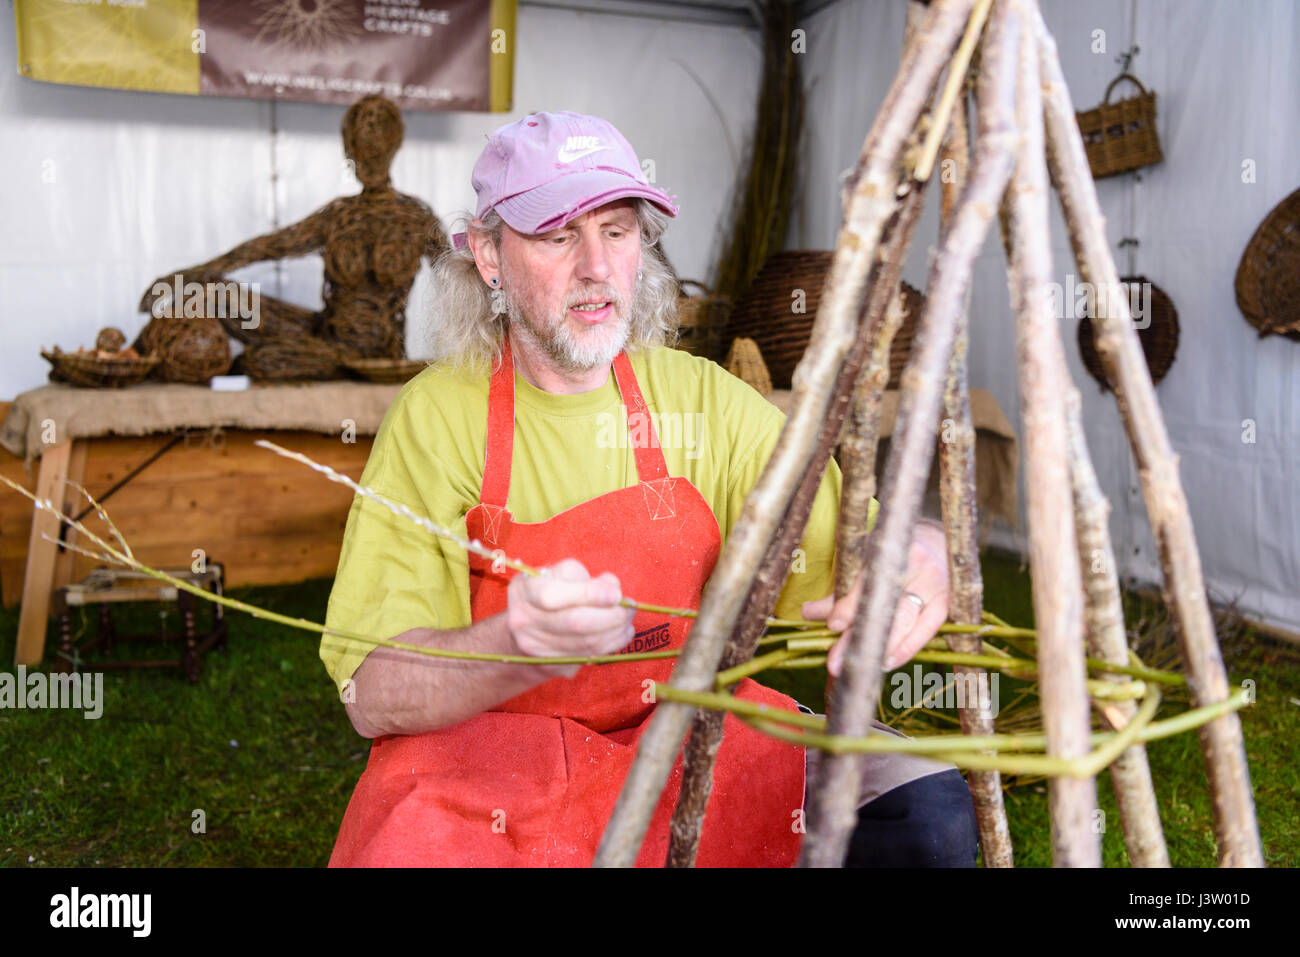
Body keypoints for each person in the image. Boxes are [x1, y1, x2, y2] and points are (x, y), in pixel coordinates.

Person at [321, 110, 978, 867]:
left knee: (924, 814)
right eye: (558, 235)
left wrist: (922, 549)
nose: (597, 266)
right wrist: (511, 648)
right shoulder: (436, 416)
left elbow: (854, 546)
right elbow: (371, 693)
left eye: (619, 230)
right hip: (495, 764)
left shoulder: (701, 400)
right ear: (489, 255)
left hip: (685, 736)